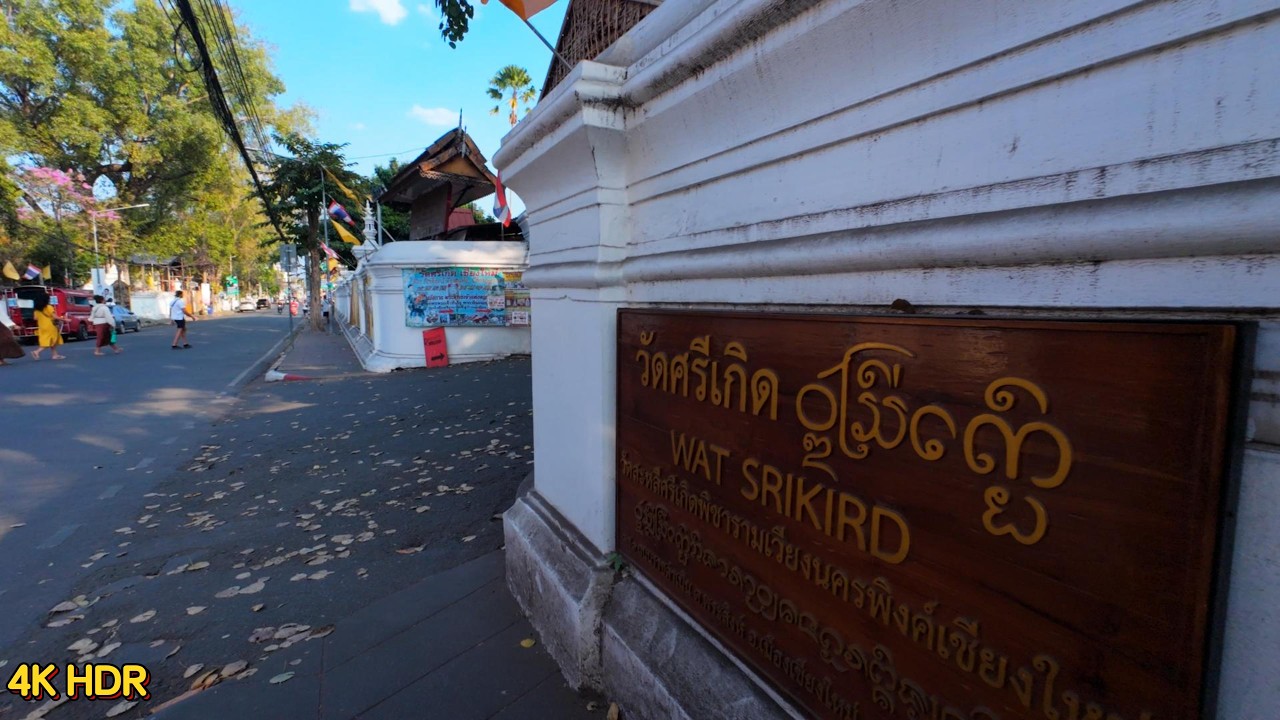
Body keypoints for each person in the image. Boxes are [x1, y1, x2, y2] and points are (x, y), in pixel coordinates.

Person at [30, 292, 66, 360]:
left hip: (42, 326)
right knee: (53, 340)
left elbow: (35, 318)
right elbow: (55, 317)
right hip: (50, 325)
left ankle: (55, 355)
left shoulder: (36, 310)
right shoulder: (49, 307)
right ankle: (37, 351)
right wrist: (65, 319)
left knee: (49, 340)